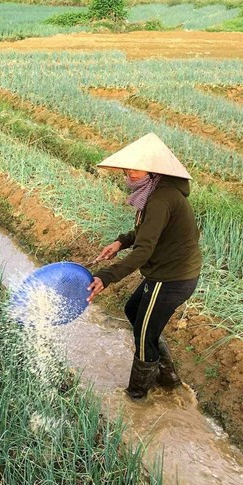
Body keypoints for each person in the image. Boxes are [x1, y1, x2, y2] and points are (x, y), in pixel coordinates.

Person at [87, 133, 201, 401]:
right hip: (167, 272)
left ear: (153, 169)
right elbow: (146, 232)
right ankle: (169, 378)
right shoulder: (156, 192)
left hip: (171, 278)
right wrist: (121, 241)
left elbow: (145, 250)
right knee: (134, 310)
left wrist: (107, 276)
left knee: (144, 335)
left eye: (136, 168)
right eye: (128, 167)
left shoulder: (162, 199)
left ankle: (137, 396)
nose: (130, 173)